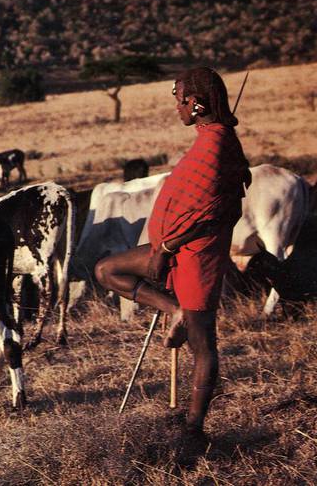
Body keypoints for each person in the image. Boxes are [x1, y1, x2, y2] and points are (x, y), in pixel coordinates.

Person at [94, 66, 251, 437]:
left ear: (195, 103)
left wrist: (166, 247)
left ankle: (194, 428)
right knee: (106, 270)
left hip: (196, 258)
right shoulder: (211, 137)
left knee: (203, 345)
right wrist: (165, 247)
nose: (177, 107)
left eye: (179, 99)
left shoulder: (216, 144)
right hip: (175, 249)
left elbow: (214, 213)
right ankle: (173, 309)